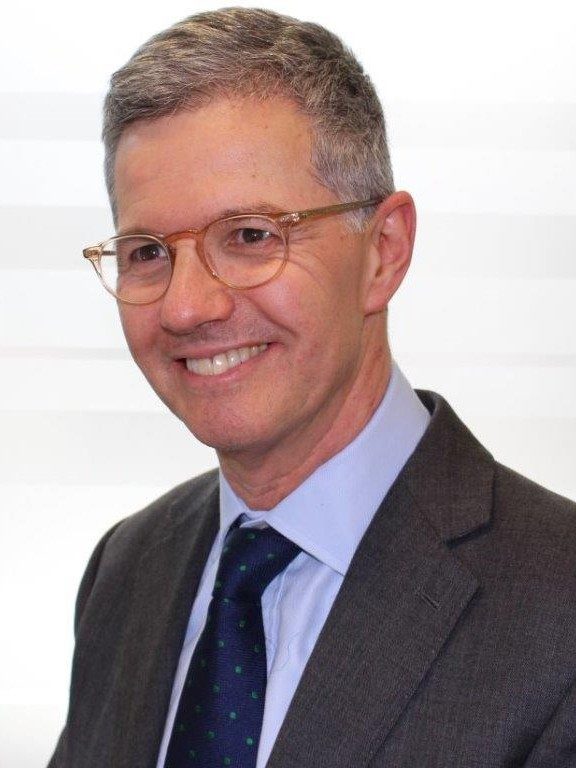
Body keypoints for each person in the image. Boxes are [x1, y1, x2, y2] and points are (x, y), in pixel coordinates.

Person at [49, 8, 576, 768]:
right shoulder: (126, 569)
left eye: (250, 236)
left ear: (384, 252)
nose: (186, 307)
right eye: (148, 252)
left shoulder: (558, 607)